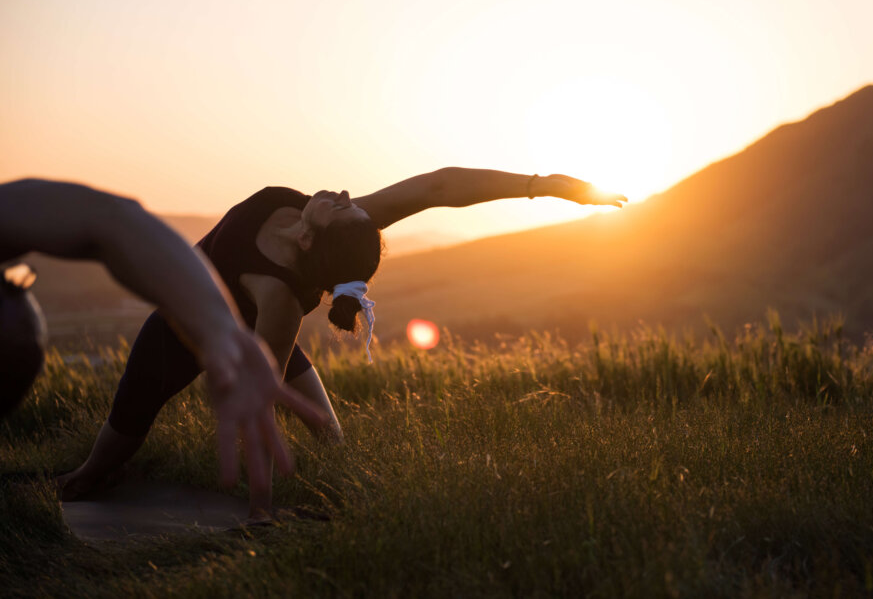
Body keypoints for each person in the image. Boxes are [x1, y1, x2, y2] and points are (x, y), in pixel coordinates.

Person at [59, 168, 626, 519]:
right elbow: (439, 187)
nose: (348, 193)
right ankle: (96, 472)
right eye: (351, 202)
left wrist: (260, 512)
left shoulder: (279, 301)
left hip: (211, 335)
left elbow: (259, 412)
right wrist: (548, 186)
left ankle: (329, 503)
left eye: (344, 205)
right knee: (106, 458)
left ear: (311, 239)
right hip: (186, 323)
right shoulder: (338, 231)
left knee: (330, 436)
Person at [0, 179, 327, 496]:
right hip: (191, 330)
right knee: (134, 404)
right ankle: (86, 477)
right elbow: (111, 216)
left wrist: (218, 329)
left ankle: (86, 478)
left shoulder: (285, 294)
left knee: (329, 433)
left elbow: (111, 217)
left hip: (221, 327)